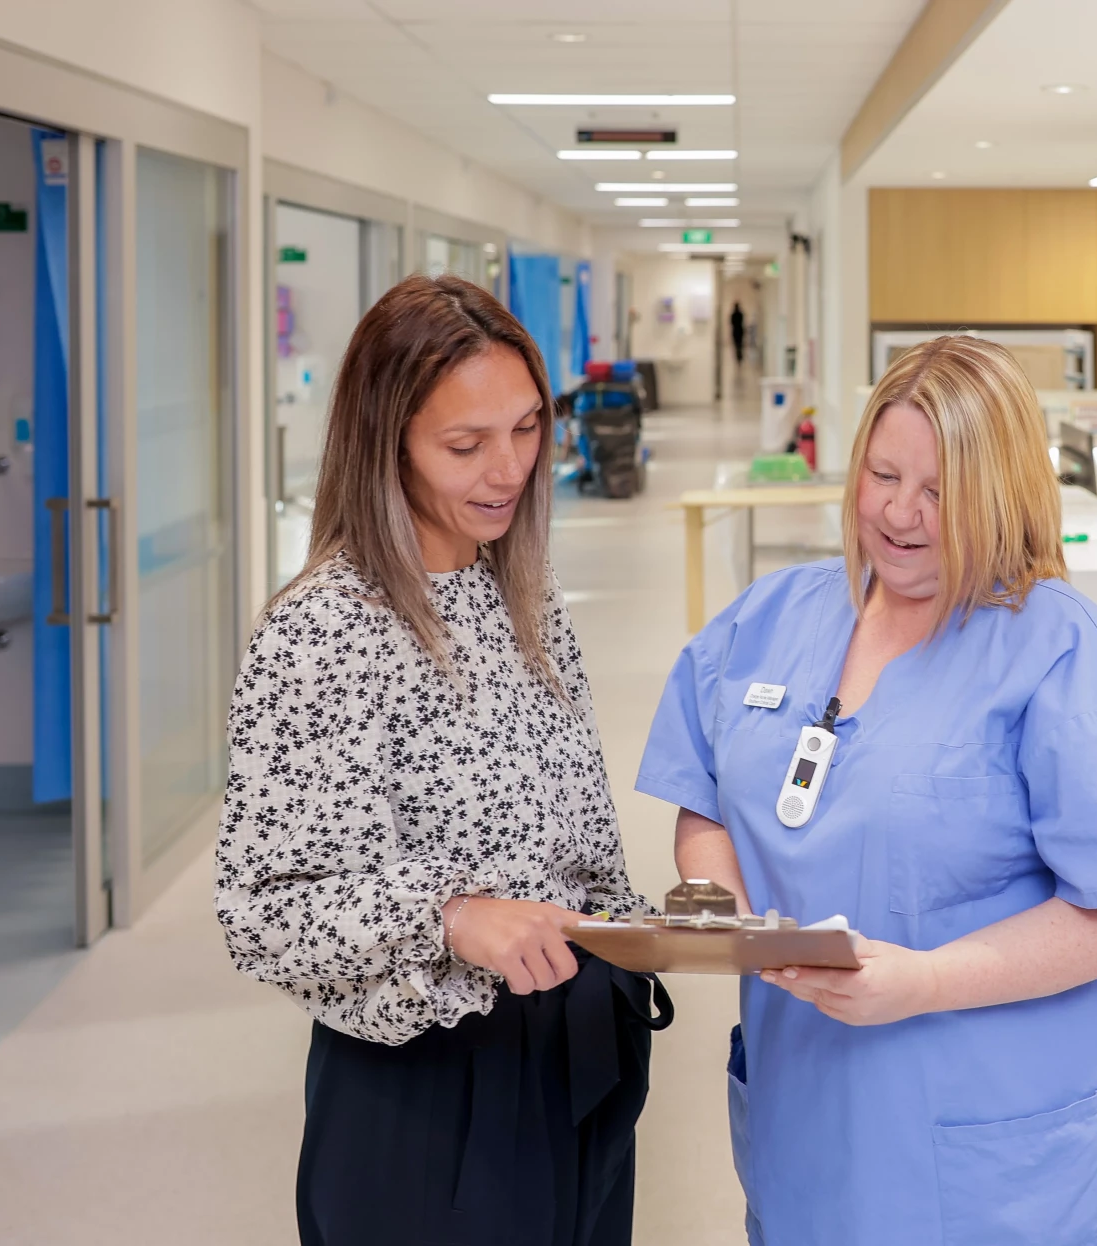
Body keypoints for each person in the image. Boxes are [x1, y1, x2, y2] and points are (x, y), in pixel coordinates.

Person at [636, 335, 1097, 1246]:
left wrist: (928, 979)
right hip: (811, 1108)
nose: (900, 513)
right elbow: (703, 785)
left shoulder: (1059, 650)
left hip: (1003, 1144)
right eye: (882, 476)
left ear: (999, 493)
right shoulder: (774, 616)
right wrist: (725, 910)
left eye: (939, 492)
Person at [215, 273, 669, 1246]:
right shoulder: (323, 633)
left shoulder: (526, 600)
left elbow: (582, 837)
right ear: (388, 444)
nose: (507, 468)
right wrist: (451, 915)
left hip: (573, 1060)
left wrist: (643, 936)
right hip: (427, 1096)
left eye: (526, 428)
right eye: (465, 445)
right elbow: (265, 913)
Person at [729, 300, 746, 364]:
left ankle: (738, 356)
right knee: (739, 345)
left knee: (737, 345)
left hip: (736, 331)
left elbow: (732, 323)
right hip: (739, 330)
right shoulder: (740, 314)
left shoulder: (734, 314)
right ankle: (739, 356)